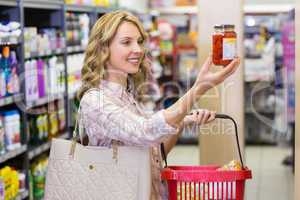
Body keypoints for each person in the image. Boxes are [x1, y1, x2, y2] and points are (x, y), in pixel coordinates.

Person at [77, 10, 240, 199]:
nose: (138, 49)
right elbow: (146, 131)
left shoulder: (128, 98)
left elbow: (156, 154)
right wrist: (199, 88)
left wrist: (182, 121)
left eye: (139, 41)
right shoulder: (95, 102)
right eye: (126, 42)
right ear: (103, 48)